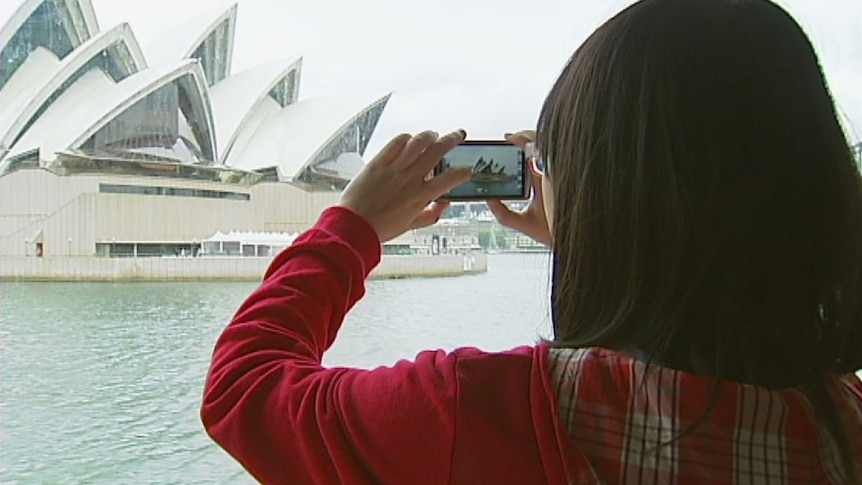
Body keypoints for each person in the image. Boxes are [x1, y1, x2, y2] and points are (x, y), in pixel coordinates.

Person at [201, 0, 862, 483]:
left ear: (597, 194)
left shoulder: (482, 408)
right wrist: (593, 240)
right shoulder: (844, 419)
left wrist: (353, 229)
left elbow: (242, 391)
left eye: (554, 162)